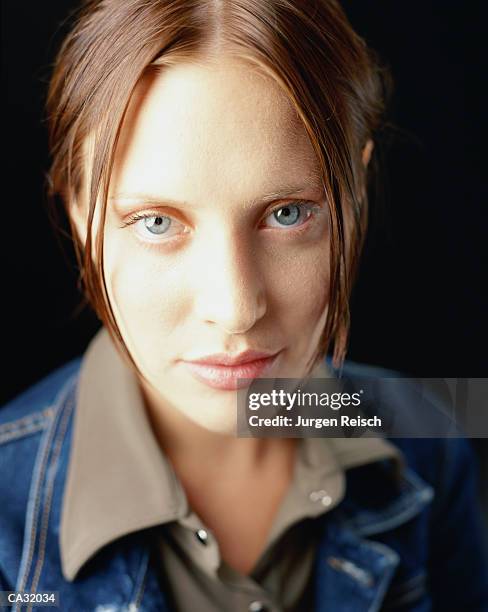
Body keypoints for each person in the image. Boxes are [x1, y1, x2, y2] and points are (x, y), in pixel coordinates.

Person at [1, 1, 487, 610]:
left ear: (355, 195)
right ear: (81, 218)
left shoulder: (427, 438)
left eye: (287, 214)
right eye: (156, 222)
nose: (235, 309)